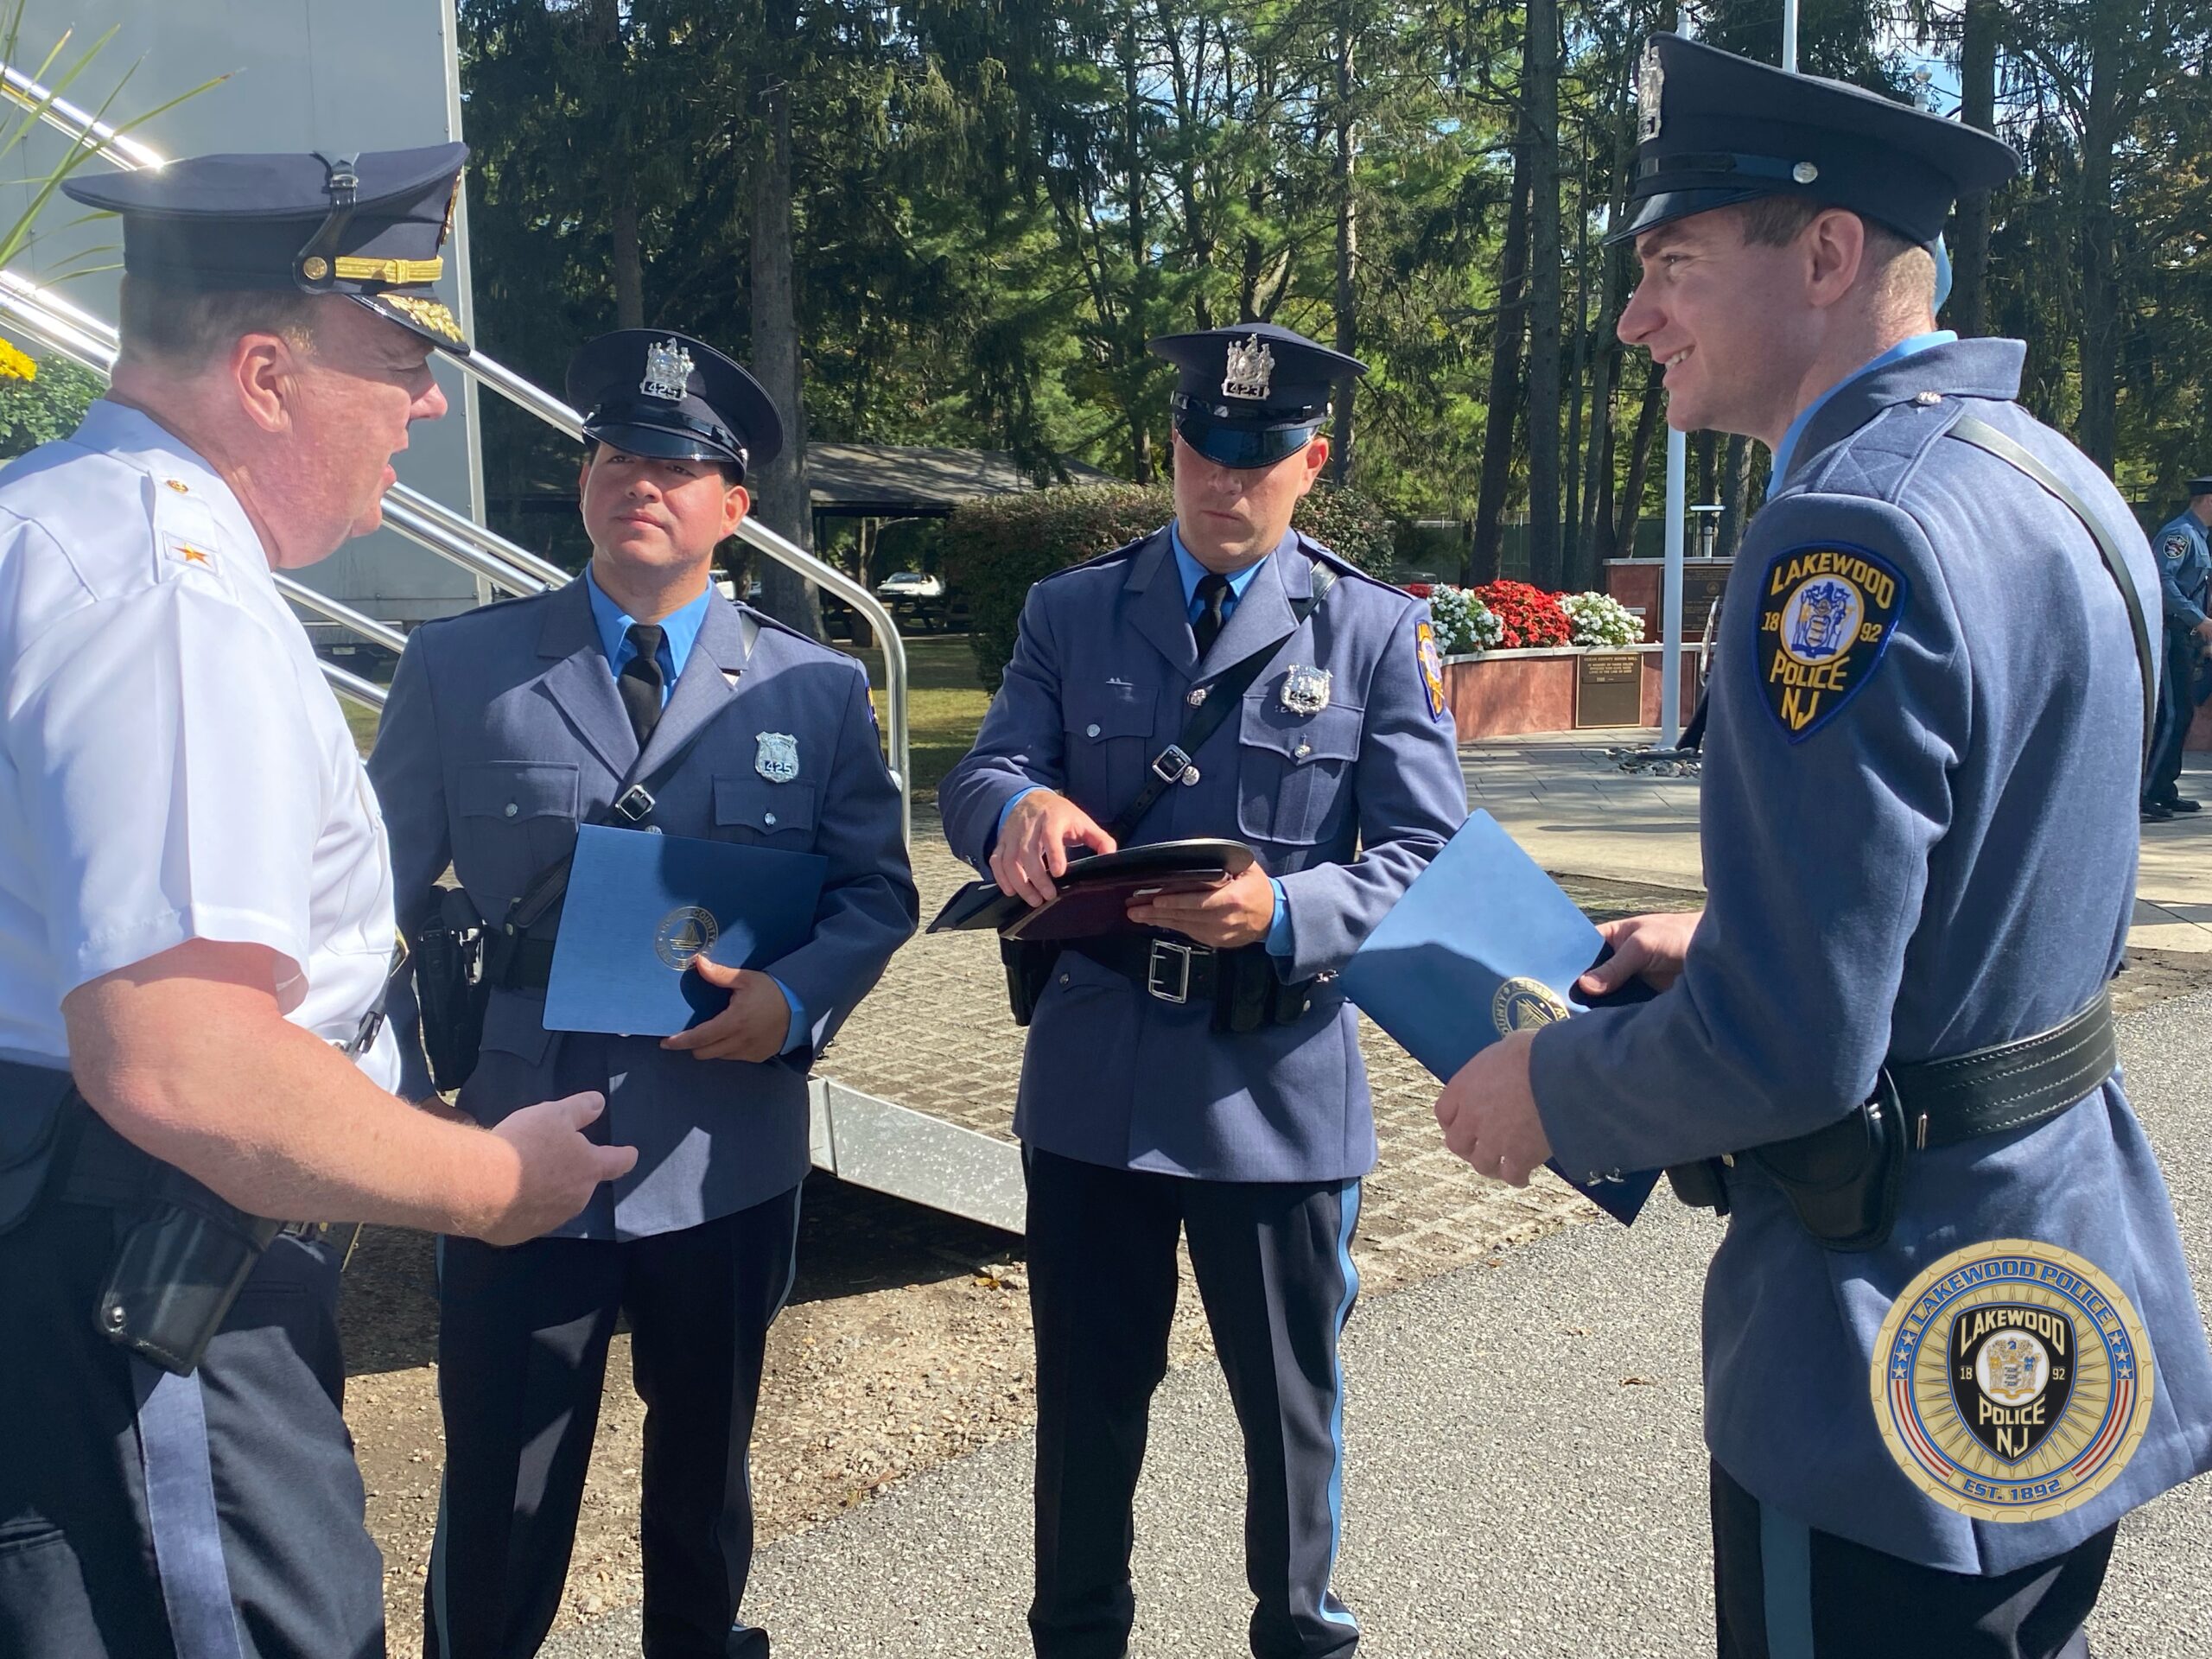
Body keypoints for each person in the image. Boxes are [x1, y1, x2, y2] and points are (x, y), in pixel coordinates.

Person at [1432, 36, 2212, 1658]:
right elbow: (2002, 888)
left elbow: (1792, 1048)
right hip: (2059, 1261)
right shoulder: (2056, 481)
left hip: (1884, 1328)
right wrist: (1727, 935)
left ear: (1829, 253)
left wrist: (1548, 1088)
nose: (1636, 317)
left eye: (1674, 264)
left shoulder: (1844, 534)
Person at [0, 148, 634, 1659]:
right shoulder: (170, 595)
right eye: (401, 361)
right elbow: (183, 1061)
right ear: (267, 374)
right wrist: (495, 1182)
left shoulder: (48, 513)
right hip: (158, 1290)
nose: (427, 406)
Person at [371, 327, 918, 1659]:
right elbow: (356, 899)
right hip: (514, 1144)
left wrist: (795, 1004)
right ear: (585, 481)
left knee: (702, 1491)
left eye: (675, 466)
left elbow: (875, 892)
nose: (640, 484)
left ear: (733, 505)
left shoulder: (814, 688)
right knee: (499, 1497)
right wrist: (399, 1104)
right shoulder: (462, 669)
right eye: (616, 455)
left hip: (721, 1152)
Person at [940, 322, 1466, 1659]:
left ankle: (1301, 1638)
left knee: (1290, 1414)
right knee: (1086, 1408)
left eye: (1260, 456)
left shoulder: (1374, 629)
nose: (1226, 480)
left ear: (1311, 464)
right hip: (1097, 1076)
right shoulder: (1072, 610)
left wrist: (1285, 911)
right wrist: (1014, 809)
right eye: (1204, 449)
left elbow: (1427, 852)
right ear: (1170, 447)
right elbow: (984, 770)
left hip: (1272, 1082)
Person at [2141, 474, 2212, 819]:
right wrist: (2199, 620)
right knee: (2171, 713)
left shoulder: (2200, 536)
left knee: (2181, 712)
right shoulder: (2180, 535)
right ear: (2209, 500)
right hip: (2169, 633)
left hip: (2184, 637)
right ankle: (2145, 792)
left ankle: (2163, 789)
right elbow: (2162, 579)